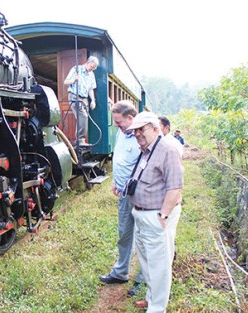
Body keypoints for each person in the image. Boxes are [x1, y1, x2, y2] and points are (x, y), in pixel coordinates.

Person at [125, 111, 184, 312]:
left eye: (142, 129)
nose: (138, 134)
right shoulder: (146, 150)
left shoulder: (167, 149)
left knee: (159, 266)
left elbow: (175, 186)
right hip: (141, 215)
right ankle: (151, 299)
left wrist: (163, 215)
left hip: (156, 216)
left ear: (156, 129)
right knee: (147, 262)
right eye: (135, 131)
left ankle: (157, 308)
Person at [99, 100, 144, 296]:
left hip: (142, 195)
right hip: (124, 194)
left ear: (131, 118)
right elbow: (120, 159)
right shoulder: (122, 132)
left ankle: (143, 280)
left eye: (119, 122)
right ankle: (121, 272)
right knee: (124, 233)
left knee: (144, 237)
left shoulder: (142, 137)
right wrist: (117, 181)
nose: (116, 125)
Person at [63, 56, 98, 145]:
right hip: (75, 96)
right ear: (88, 63)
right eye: (92, 67)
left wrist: (93, 100)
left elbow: (91, 88)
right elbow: (66, 82)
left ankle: (80, 139)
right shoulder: (76, 69)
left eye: (94, 68)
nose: (92, 69)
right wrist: (73, 80)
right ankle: (80, 140)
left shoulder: (91, 74)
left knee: (83, 117)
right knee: (83, 116)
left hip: (84, 98)